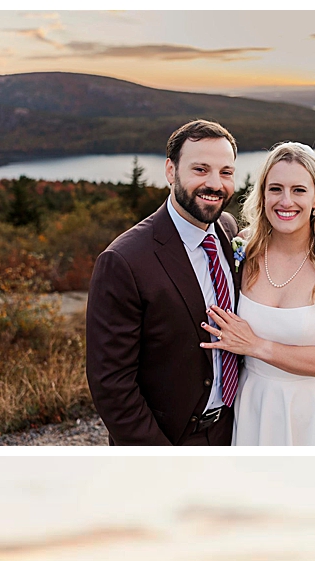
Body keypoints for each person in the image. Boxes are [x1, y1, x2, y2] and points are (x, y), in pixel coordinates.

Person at [84, 119, 245, 446]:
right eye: (200, 169)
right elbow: (112, 384)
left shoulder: (228, 229)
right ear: (171, 171)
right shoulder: (124, 261)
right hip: (168, 440)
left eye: (226, 172)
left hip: (235, 429)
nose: (215, 184)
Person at [208, 141, 315, 447]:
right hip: (254, 403)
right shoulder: (245, 247)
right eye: (275, 189)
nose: (285, 201)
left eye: (298, 190)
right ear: (263, 195)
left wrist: (256, 346)